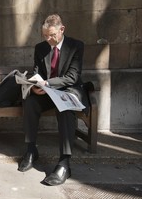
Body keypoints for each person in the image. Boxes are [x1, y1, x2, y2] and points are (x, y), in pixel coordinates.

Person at [18, 14, 89, 186]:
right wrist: (35, 85)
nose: (49, 39)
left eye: (52, 35)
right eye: (45, 36)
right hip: (46, 93)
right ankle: (31, 149)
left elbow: (72, 77)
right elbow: (37, 72)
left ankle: (64, 162)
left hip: (67, 91)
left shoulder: (76, 46)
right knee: (30, 102)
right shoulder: (40, 48)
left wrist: (47, 82)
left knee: (65, 108)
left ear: (61, 29)